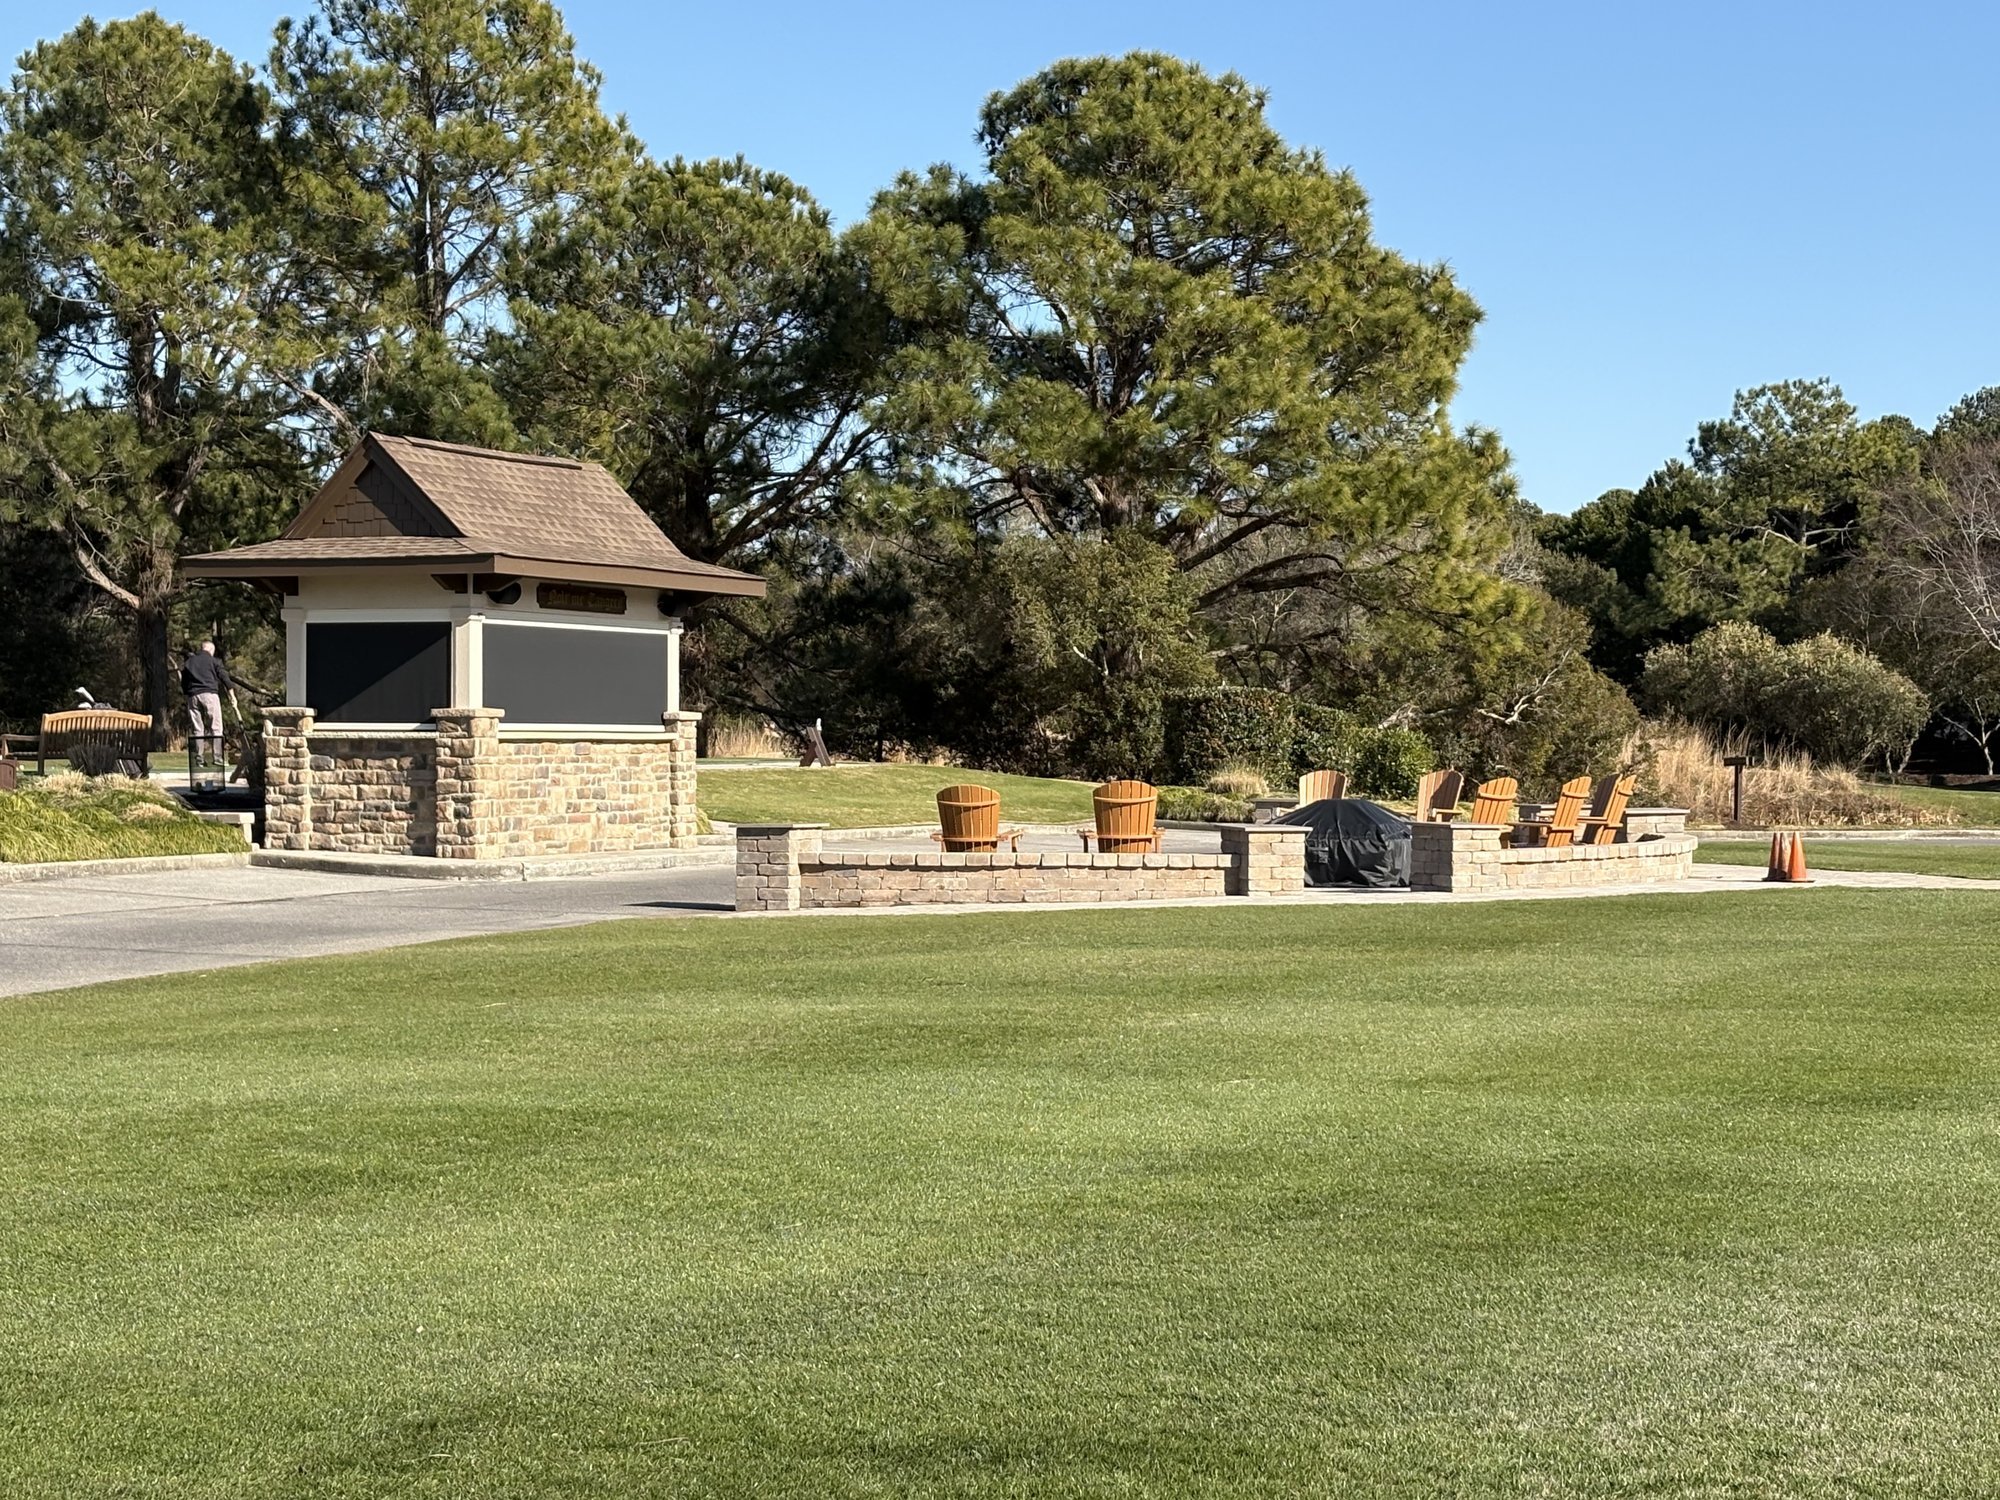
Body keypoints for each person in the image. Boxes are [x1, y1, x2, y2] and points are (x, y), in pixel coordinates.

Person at [181, 640, 238, 766]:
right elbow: (225, 678)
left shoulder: (189, 662)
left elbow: (184, 681)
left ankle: (199, 758)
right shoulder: (214, 661)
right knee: (216, 727)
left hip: (193, 696)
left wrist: (188, 693)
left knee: (197, 728)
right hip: (210, 694)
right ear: (211, 650)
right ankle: (217, 757)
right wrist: (232, 696)